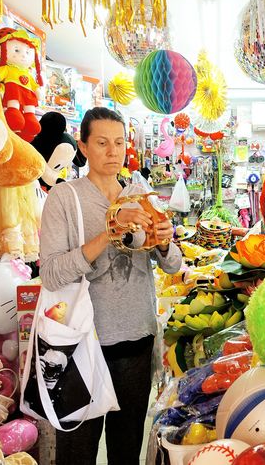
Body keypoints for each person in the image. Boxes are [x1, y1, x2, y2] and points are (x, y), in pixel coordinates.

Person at [39, 107, 182, 465]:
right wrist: (109, 233)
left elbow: (173, 264)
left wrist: (164, 241)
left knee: (126, 448)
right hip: (82, 344)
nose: (112, 152)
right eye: (102, 143)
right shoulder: (64, 198)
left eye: (118, 143)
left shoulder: (139, 192)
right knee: (77, 453)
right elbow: (53, 273)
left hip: (136, 338)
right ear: (84, 147)